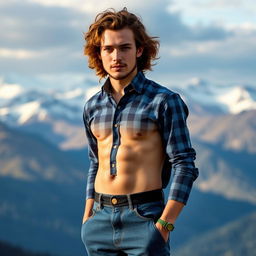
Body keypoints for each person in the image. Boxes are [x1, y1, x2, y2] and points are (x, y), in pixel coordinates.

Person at [81, 8, 199, 256]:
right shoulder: (92, 106)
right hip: (98, 222)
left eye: (124, 47)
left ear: (139, 50)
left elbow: (185, 164)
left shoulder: (164, 101)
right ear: (98, 53)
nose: (116, 56)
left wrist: (165, 225)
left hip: (144, 217)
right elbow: (95, 162)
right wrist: (87, 217)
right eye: (108, 49)